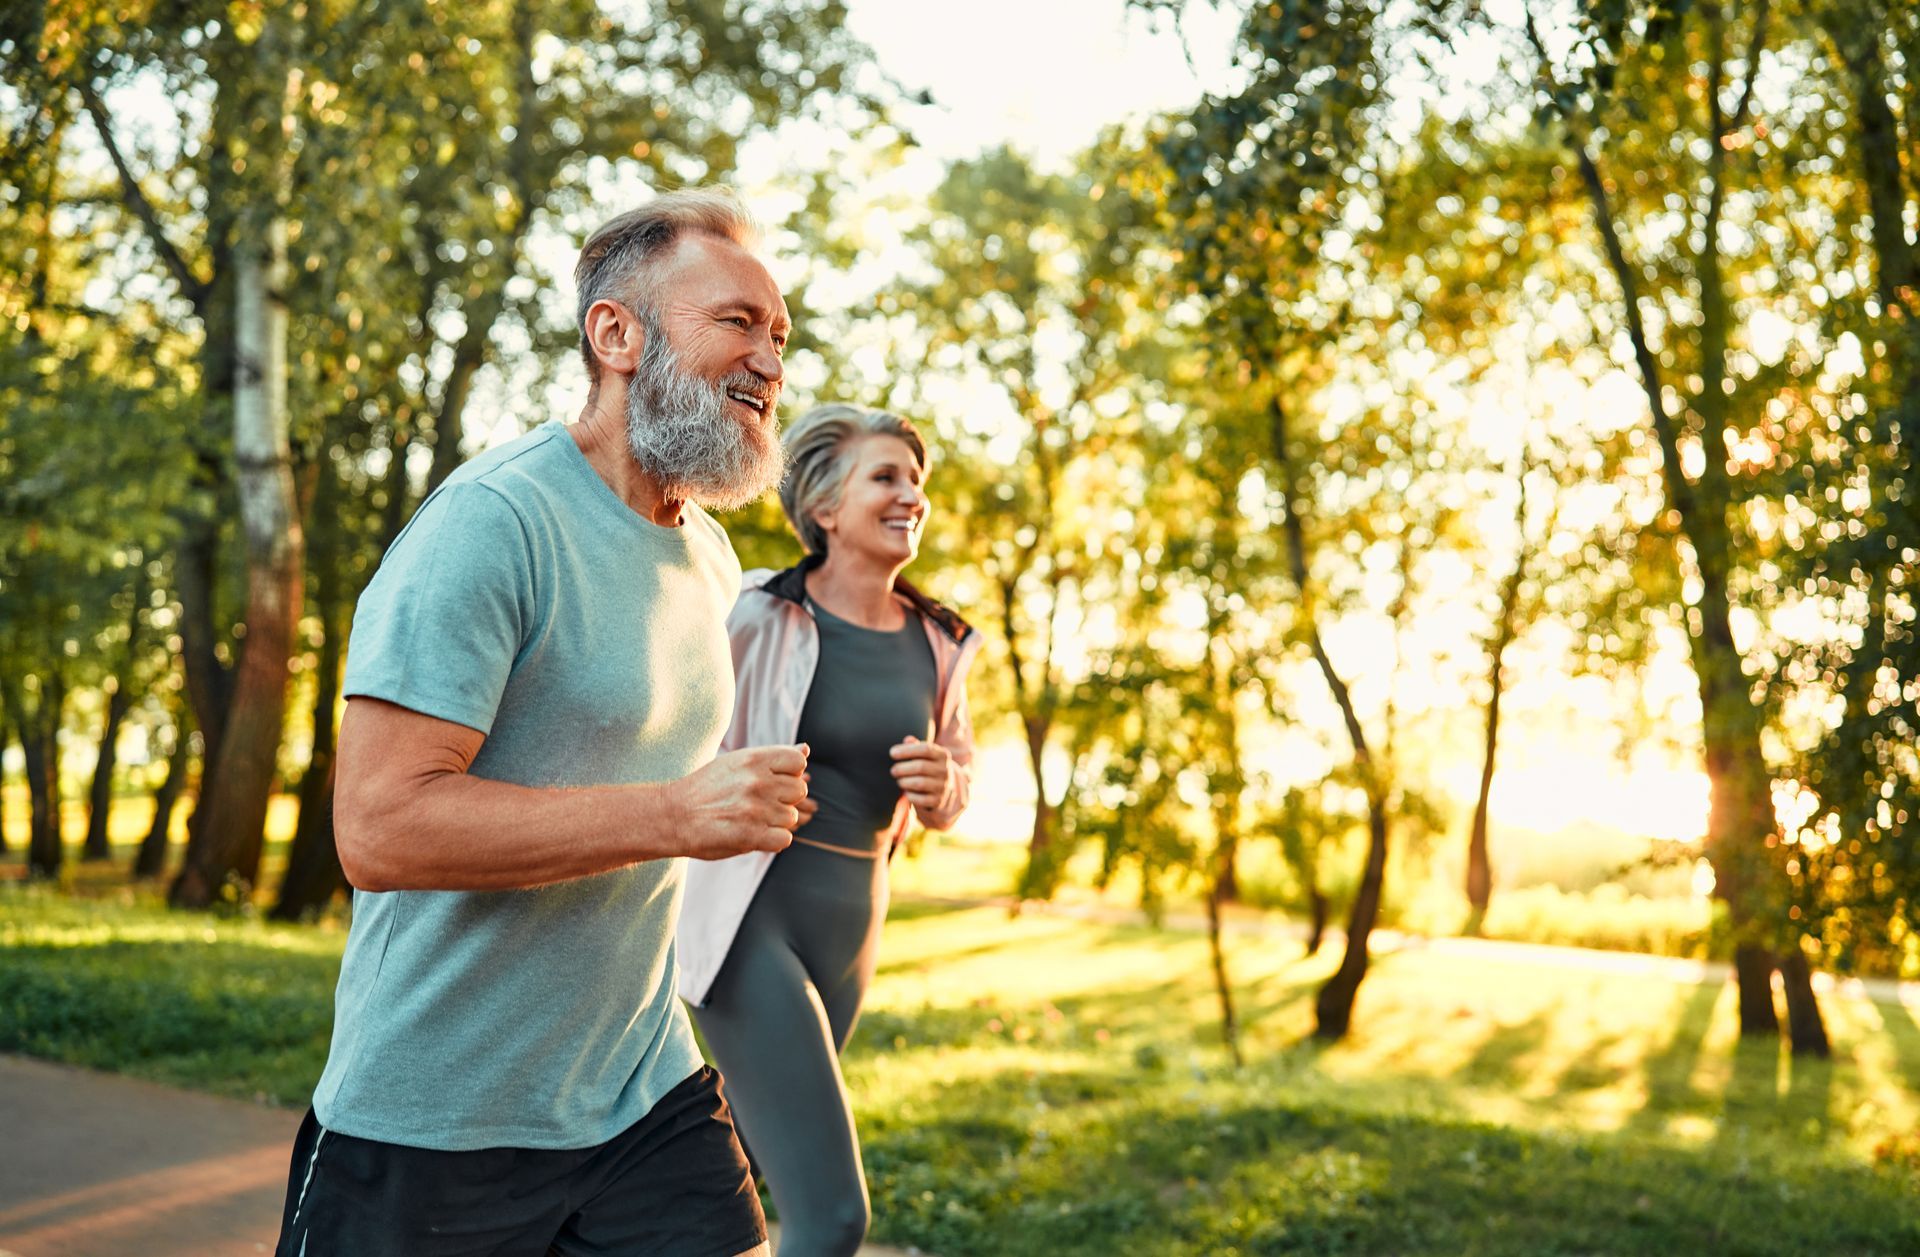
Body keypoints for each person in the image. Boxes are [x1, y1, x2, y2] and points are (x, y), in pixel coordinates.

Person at [274, 188, 809, 1257]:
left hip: (639, 1088)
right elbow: (378, 829)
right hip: (436, 1114)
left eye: (782, 336)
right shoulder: (493, 525)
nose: (771, 362)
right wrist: (673, 814)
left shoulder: (705, 555)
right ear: (616, 334)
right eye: (737, 323)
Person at [677, 404, 983, 1257]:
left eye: (916, 481)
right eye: (886, 477)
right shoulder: (752, 611)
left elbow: (958, 778)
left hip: (851, 925)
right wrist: (738, 786)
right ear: (824, 507)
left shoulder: (941, 640)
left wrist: (946, 783)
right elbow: (675, 738)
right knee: (833, 1216)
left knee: (729, 1174)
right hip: (750, 919)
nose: (910, 495)